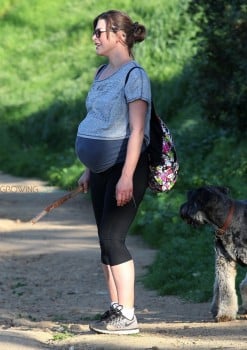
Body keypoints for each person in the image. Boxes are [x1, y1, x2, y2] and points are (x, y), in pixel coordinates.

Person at [75, 10, 151, 335]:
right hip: (101, 170)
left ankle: (129, 315)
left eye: (100, 32)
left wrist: (125, 176)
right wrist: (88, 170)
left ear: (119, 35)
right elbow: (99, 122)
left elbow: (136, 131)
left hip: (127, 168)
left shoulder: (135, 75)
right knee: (104, 243)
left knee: (113, 238)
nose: (94, 37)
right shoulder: (101, 72)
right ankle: (116, 309)